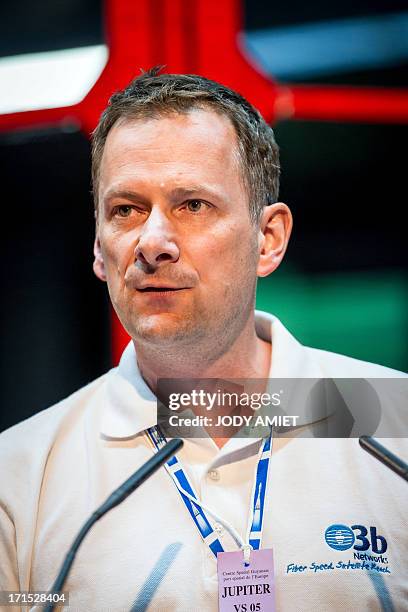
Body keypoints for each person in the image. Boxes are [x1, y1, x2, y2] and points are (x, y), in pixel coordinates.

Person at [0, 68, 407, 612]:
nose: (152, 242)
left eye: (192, 205)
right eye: (126, 210)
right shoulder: (21, 473)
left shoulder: (393, 420)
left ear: (268, 239)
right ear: (99, 248)